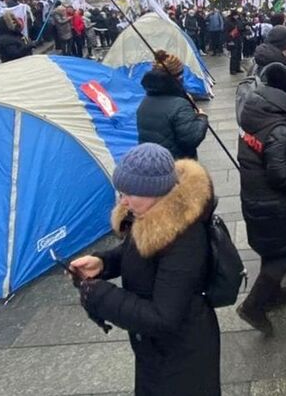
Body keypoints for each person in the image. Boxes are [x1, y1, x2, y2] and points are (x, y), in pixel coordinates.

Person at [69, 144, 219, 396]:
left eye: (130, 193)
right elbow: (136, 251)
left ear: (157, 191)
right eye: (122, 192)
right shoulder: (152, 215)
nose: (123, 201)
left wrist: (100, 295)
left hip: (182, 356)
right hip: (156, 350)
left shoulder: (185, 239)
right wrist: (104, 263)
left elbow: (164, 318)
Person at [235, 63, 286, 335]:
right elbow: (279, 175)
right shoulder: (278, 128)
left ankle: (273, 293)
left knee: (271, 246)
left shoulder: (254, 108)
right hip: (271, 199)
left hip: (253, 194)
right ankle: (253, 306)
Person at [137, 51, 208, 160]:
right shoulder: (180, 105)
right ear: (177, 77)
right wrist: (201, 118)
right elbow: (191, 139)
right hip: (177, 165)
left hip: (151, 162)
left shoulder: (144, 102)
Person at [225, 10, 244, 75]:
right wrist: (229, 41)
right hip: (232, 39)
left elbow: (241, 27)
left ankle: (237, 68)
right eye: (236, 15)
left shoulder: (238, 21)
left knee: (238, 55)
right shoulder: (228, 22)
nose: (236, 16)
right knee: (234, 55)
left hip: (238, 39)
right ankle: (232, 69)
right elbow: (227, 31)